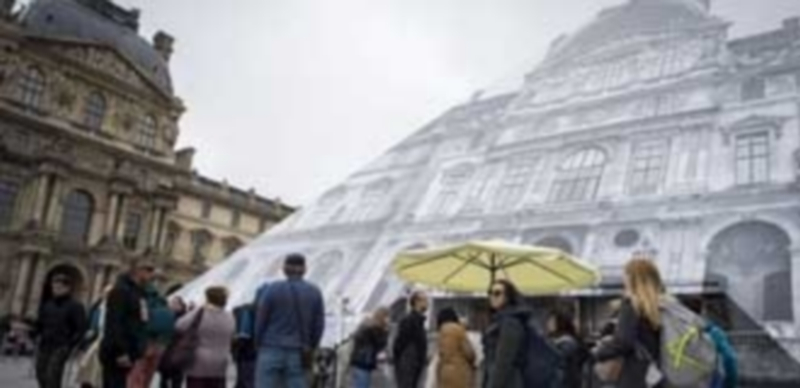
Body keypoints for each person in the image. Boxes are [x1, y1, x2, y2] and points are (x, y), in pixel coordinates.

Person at [255, 254, 325, 388]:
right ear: (304, 269)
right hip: (299, 351)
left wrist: (258, 343)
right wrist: (311, 346)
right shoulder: (314, 292)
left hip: (270, 347)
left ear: (284, 269)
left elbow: (261, 320)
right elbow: (319, 326)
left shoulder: (272, 289)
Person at [593, 258, 665, 388]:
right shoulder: (664, 305)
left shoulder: (633, 305)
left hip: (635, 377)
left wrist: (598, 351)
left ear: (632, 280)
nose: (623, 281)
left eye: (625, 277)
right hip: (658, 376)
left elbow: (623, 341)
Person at [100, 259, 156, 388]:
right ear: (137, 270)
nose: (151, 274)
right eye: (148, 269)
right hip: (117, 353)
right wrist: (120, 351)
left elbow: (140, 321)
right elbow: (114, 324)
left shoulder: (139, 293)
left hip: (130, 350)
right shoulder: (121, 291)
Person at [176, 286, 235, 388]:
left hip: (198, 363)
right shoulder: (230, 317)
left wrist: (198, 308)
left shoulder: (200, 313)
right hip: (220, 363)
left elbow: (179, 325)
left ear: (207, 298)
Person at [35, 274, 87, 388]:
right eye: (54, 287)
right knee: (40, 373)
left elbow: (81, 328)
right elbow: (40, 322)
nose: (56, 290)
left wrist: (72, 344)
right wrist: (37, 333)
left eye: (59, 287)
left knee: (52, 374)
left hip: (61, 345)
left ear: (67, 288)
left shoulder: (76, 306)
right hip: (45, 344)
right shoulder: (48, 304)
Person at [482, 279, 529, 388]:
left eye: (497, 293)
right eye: (490, 293)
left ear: (507, 297)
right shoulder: (498, 320)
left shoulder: (510, 323)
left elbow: (503, 362)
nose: (492, 297)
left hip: (507, 382)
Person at [128, 281, 176, 388]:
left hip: (145, 342)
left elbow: (140, 321)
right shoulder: (164, 303)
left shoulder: (143, 302)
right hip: (162, 344)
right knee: (148, 376)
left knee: (136, 375)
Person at [392, 290, 429, 388]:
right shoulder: (410, 320)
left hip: (414, 362)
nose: (427, 303)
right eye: (424, 300)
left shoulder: (418, 320)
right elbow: (400, 342)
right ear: (416, 302)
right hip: (409, 362)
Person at [349, 307, 390, 388]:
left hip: (359, 361)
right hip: (365, 362)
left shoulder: (366, 325)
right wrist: (386, 332)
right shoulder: (374, 329)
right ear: (382, 317)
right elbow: (380, 344)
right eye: (387, 317)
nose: (388, 319)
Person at [435, 307, 475, 388]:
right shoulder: (459, 330)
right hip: (459, 371)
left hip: (444, 371)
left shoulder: (441, 332)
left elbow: (440, 354)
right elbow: (470, 353)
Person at [547, 309, 586, 388]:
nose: (548, 324)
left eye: (551, 321)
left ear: (561, 323)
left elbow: (556, 359)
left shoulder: (567, 342)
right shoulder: (559, 340)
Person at [159, 296, 189, 388]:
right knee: (164, 377)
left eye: (176, 303)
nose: (173, 305)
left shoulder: (186, 318)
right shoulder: (166, 316)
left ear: (181, 305)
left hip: (179, 351)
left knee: (177, 378)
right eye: (171, 303)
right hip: (167, 350)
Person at [232, 302, 258, 388]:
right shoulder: (250, 310)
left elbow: (244, 335)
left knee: (245, 379)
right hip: (251, 351)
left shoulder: (244, 310)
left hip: (245, 352)